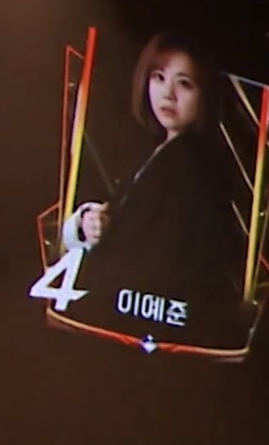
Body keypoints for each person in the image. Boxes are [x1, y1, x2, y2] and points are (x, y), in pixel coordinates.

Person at [59, 34, 248, 340]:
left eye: (184, 84)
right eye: (158, 77)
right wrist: (89, 222)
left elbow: (162, 259)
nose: (168, 94)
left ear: (206, 94)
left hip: (148, 327)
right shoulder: (153, 151)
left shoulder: (196, 166)